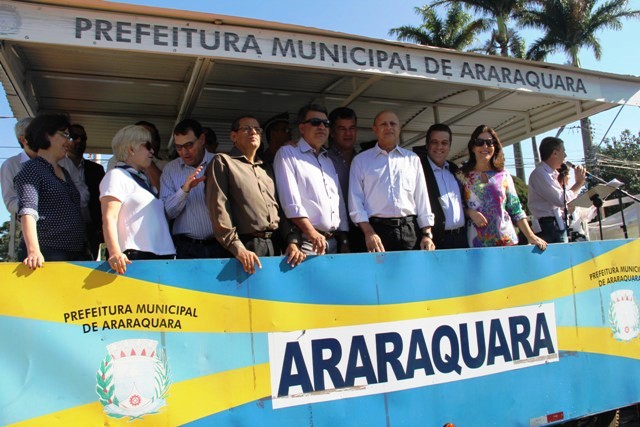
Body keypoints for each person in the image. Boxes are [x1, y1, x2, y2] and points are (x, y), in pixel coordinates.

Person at [205, 115, 306, 273]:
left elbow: (281, 209)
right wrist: (237, 248)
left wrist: (292, 241)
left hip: (275, 244)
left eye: (257, 129)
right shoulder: (223, 162)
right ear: (233, 136)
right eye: (246, 128)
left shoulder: (266, 168)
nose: (253, 132)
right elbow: (219, 210)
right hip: (245, 248)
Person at [349, 110, 435, 252]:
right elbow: (355, 202)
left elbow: (422, 199)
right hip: (376, 231)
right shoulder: (360, 161)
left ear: (399, 128)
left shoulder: (412, 159)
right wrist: (369, 233)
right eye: (383, 124)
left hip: (409, 231)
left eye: (393, 123)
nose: (389, 127)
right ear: (375, 129)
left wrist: (427, 234)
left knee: (410, 273)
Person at [13, 113, 87, 269]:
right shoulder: (32, 169)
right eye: (64, 135)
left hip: (75, 253)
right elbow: (27, 211)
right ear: (46, 134)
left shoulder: (64, 171)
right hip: (48, 254)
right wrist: (33, 251)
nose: (69, 141)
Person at [273, 104, 349, 255]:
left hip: (333, 242)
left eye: (326, 123)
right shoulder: (288, 153)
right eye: (315, 122)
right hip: (307, 242)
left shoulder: (327, 160)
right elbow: (290, 202)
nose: (322, 126)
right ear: (302, 128)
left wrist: (344, 239)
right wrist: (311, 232)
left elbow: (338, 202)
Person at [457, 125, 547, 250]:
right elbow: (456, 207)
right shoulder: (462, 175)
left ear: (495, 147)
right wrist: (470, 212)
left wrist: (531, 236)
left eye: (490, 143)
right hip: (475, 244)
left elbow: (516, 209)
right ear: (472, 146)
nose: (485, 147)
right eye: (479, 142)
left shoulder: (503, 174)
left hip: (506, 242)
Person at [100, 125, 175, 274]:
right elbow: (109, 216)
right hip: (133, 257)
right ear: (131, 149)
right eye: (147, 146)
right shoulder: (116, 175)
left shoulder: (142, 180)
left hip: (159, 256)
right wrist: (114, 252)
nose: (152, 151)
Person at [160, 119, 226, 259]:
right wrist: (184, 190)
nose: (184, 152)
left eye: (189, 145)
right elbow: (168, 212)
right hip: (187, 248)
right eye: (178, 147)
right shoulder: (170, 170)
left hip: (222, 244)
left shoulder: (221, 163)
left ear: (202, 139)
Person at [414, 124, 467, 249]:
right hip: (434, 242)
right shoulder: (418, 170)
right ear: (427, 145)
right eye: (434, 142)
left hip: (461, 240)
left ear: (449, 146)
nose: (439, 147)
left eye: (444, 143)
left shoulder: (455, 171)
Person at [528, 136, 586, 244]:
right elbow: (560, 200)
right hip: (548, 226)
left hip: (557, 224)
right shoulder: (540, 174)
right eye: (563, 151)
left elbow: (563, 202)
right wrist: (578, 184)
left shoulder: (552, 174)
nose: (565, 155)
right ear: (554, 153)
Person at [63, 124, 106, 259]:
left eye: (83, 138)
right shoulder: (57, 165)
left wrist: (100, 229)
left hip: (90, 231)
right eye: (74, 137)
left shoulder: (96, 169)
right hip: (63, 229)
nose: (79, 141)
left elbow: (101, 201)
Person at [327, 107, 365, 252]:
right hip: (335, 233)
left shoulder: (365, 160)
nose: (348, 133)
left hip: (364, 230)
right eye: (342, 128)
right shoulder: (322, 159)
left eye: (352, 128)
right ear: (331, 132)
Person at [1, 118, 34, 215]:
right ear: (23, 139)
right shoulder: (10, 164)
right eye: (36, 132)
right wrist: (34, 207)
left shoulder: (54, 161)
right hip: (32, 223)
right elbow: (10, 202)